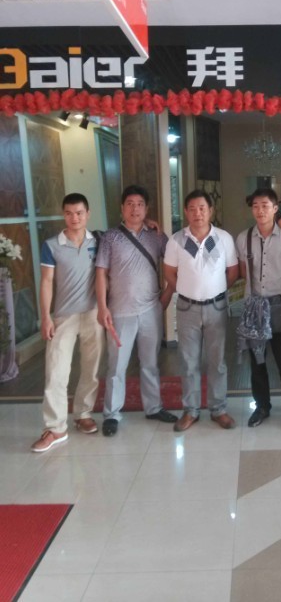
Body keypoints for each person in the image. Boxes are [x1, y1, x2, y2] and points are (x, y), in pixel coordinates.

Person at [95, 185, 177, 437]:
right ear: (122, 208)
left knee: (150, 363)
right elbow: (100, 273)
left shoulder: (157, 236)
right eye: (130, 204)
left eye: (140, 204)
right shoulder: (110, 238)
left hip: (151, 311)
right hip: (119, 312)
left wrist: (168, 293)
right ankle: (111, 413)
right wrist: (102, 307)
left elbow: (175, 263)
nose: (135, 209)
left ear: (147, 208)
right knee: (116, 366)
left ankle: (153, 407)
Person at [31, 193, 105, 452]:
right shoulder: (52, 245)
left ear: (88, 214)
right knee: (56, 371)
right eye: (69, 213)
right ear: (64, 214)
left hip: (93, 314)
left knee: (91, 368)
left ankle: (83, 414)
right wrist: (46, 316)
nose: (75, 218)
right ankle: (55, 428)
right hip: (63, 316)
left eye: (79, 213)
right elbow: (46, 281)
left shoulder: (99, 241)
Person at [163, 189, 239, 432]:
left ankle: (218, 409)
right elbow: (169, 272)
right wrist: (185, 290)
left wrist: (216, 291)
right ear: (186, 212)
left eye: (202, 208)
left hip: (217, 307)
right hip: (187, 307)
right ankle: (191, 410)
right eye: (193, 209)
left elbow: (233, 271)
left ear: (211, 210)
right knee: (188, 361)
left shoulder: (223, 238)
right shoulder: (176, 240)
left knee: (217, 361)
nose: (198, 213)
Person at [236, 188, 281, 429]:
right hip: (253, 309)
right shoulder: (243, 238)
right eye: (255, 206)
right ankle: (262, 407)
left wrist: (279, 295)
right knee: (257, 362)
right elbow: (244, 272)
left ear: (275, 208)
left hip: (279, 307)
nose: (260, 210)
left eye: (265, 205)